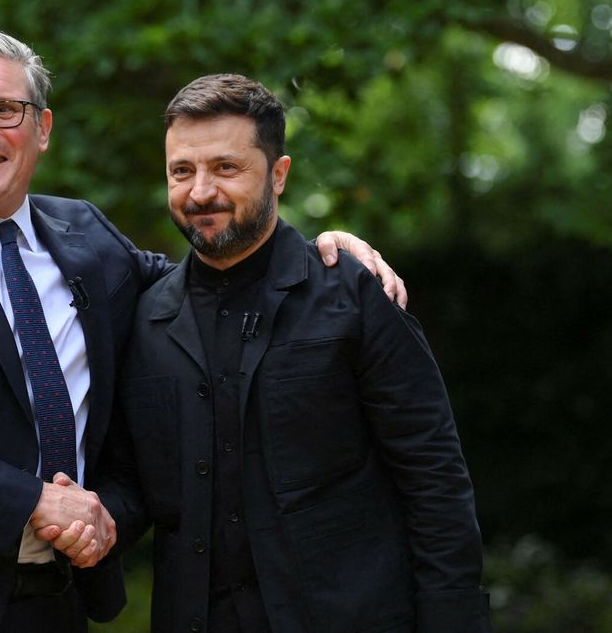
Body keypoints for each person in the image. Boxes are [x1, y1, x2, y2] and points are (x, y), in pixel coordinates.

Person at [0, 29, 406, 633]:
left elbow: (207, 285)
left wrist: (317, 254)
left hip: (52, 604)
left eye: (6, 109)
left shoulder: (85, 235)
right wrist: (34, 502)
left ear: (42, 129)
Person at [92, 74, 492, 633]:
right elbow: (132, 482)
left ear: (278, 175)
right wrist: (90, 520)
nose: (200, 191)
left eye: (226, 168)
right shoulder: (141, 319)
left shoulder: (354, 296)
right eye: (182, 171)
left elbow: (433, 478)